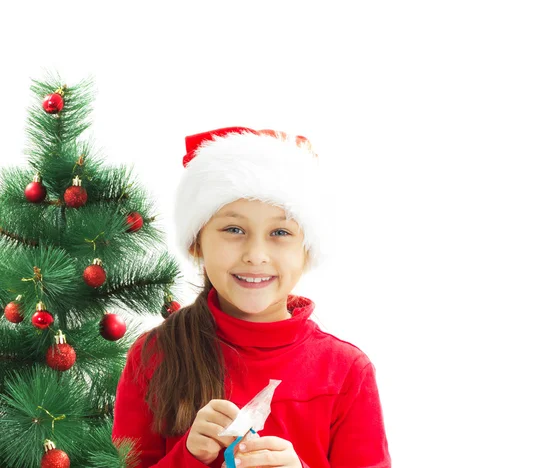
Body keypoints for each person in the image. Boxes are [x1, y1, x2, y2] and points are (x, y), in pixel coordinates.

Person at [112, 127, 392, 467]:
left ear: (307, 251)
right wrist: (188, 457)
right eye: (234, 229)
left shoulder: (346, 371)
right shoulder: (154, 357)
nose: (256, 254)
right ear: (197, 242)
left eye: (280, 232)